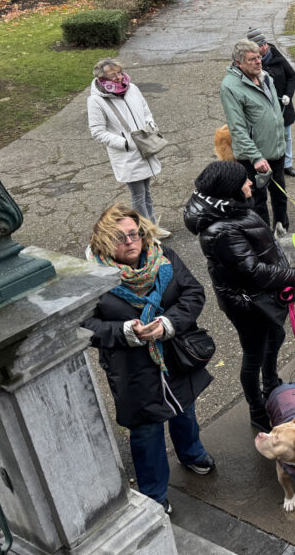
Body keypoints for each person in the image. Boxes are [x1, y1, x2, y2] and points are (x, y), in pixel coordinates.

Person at [82, 204, 214, 515]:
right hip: (132, 369)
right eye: (119, 237)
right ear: (103, 241)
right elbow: (85, 325)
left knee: (184, 408)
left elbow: (193, 293)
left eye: (134, 234)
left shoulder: (164, 256)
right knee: (146, 430)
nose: (129, 241)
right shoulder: (92, 279)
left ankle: (191, 453)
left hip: (175, 355)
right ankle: (154, 494)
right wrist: (124, 331)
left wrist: (168, 324)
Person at [183, 161, 295, 431]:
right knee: (254, 355)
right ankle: (257, 410)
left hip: (263, 299)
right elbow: (253, 272)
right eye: (245, 181)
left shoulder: (232, 211)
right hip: (248, 305)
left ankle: (271, 383)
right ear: (230, 191)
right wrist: (293, 276)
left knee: (276, 336)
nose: (250, 183)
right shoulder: (221, 230)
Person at [86, 58, 167, 232]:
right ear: (102, 78)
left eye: (119, 72)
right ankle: (146, 232)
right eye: (112, 74)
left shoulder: (132, 89)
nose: (118, 77)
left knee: (146, 192)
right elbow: (97, 132)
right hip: (127, 153)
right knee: (138, 196)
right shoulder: (96, 100)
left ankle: (151, 227)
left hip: (145, 145)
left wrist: (150, 126)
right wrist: (125, 143)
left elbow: (146, 110)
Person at [220, 39, 289, 237]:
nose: (258, 62)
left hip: (276, 151)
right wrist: (256, 157)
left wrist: (281, 140)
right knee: (258, 202)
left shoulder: (265, 76)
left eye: (259, 57)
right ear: (239, 63)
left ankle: (283, 234)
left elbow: (274, 110)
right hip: (255, 158)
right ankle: (264, 240)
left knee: (280, 196)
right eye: (252, 59)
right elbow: (237, 128)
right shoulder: (230, 87)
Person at [246, 28, 295, 178]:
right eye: (259, 46)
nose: (263, 47)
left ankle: (287, 164)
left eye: (264, 44)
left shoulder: (277, 56)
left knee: (286, 135)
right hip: (262, 108)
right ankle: (265, 164)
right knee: (264, 136)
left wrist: (288, 95)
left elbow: (292, 76)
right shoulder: (248, 65)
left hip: (283, 105)